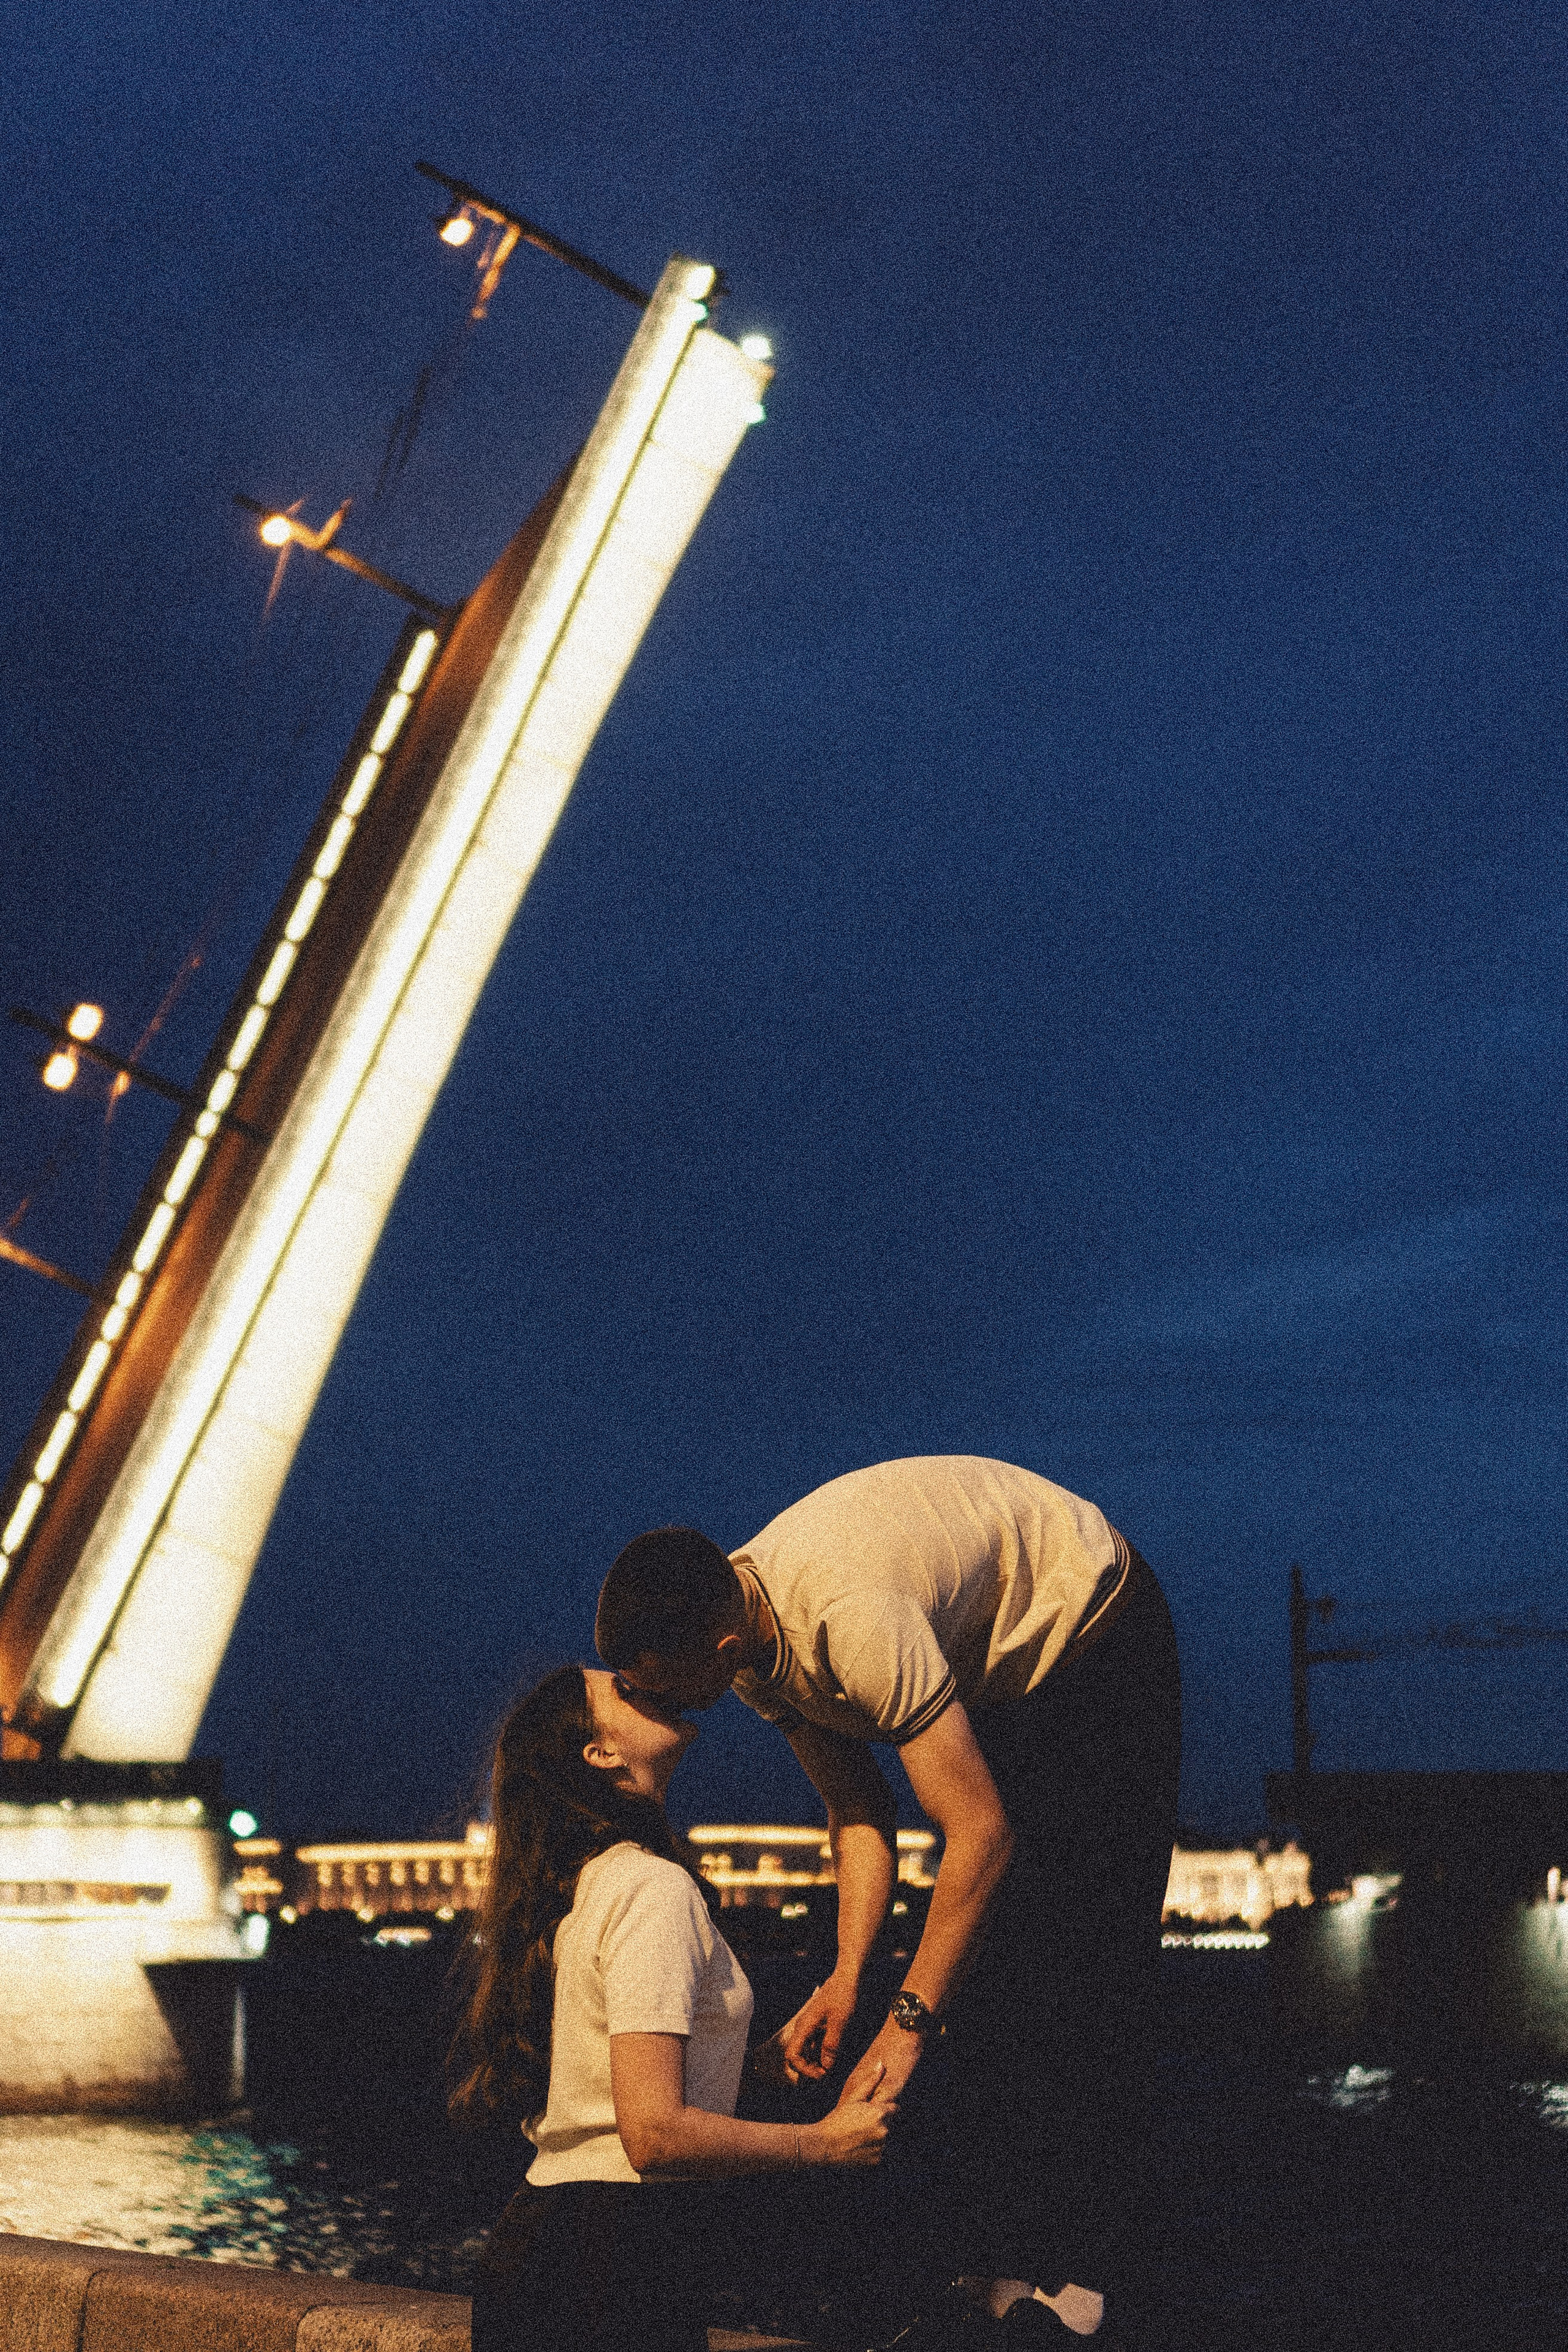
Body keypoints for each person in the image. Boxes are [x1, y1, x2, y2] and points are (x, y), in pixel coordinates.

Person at [594, 1457, 1183, 2345]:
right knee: (979, 1963)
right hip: (1003, 1669)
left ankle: (1084, 2282)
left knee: (1079, 1959)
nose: (642, 1703)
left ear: (714, 1654)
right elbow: (859, 1812)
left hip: (1098, 1631)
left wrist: (906, 2022)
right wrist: (845, 1976)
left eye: (653, 1687)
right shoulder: (749, 1647)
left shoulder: (850, 1618)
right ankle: (998, 2265)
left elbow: (977, 1832)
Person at [450, 1660, 899, 2352]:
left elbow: (610, 2091)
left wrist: (754, 2067)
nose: (650, 1684)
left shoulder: (594, 1884)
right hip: (612, 2259)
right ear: (600, 1752)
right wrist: (824, 2143)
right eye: (624, 1691)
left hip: (563, 2241)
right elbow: (653, 2134)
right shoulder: (649, 1888)